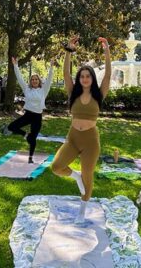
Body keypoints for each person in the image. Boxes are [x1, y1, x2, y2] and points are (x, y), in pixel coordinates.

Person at [50, 35, 111, 224]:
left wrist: (107, 51)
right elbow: (66, 75)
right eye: (82, 76)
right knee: (56, 167)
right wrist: (68, 51)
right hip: (73, 138)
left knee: (88, 175)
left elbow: (108, 75)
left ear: (92, 78)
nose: (84, 79)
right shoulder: (73, 92)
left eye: (88, 76)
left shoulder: (99, 94)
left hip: (90, 141)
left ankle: (82, 210)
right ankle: (74, 176)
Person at [0, 57, 54, 163]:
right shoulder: (27, 89)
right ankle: (25, 135)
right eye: (32, 79)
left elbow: (49, 79)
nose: (34, 81)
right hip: (28, 115)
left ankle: (30, 158)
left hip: (37, 117)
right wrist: (15, 65)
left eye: (36, 79)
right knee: (11, 127)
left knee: (32, 139)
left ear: (39, 81)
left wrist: (51, 67)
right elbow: (19, 78)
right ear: (30, 81)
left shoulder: (44, 90)